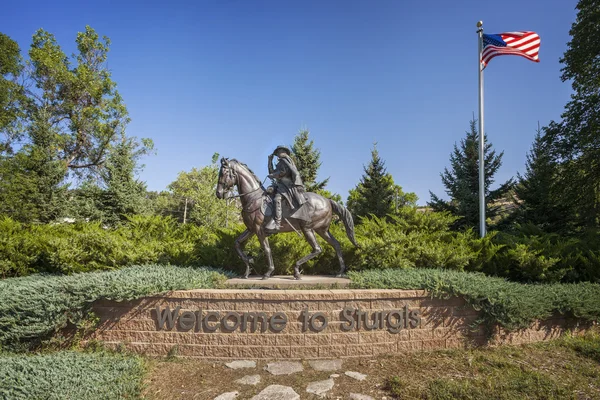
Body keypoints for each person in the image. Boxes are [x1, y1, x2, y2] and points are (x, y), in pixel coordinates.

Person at [265, 145, 306, 233]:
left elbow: (284, 172)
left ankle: (277, 223)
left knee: (277, 199)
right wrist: (269, 161)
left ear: (283, 151)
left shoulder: (285, 160)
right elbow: (272, 172)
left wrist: (274, 175)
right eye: (277, 153)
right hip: (281, 185)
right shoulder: (281, 162)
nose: (278, 154)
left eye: (279, 152)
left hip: (287, 186)